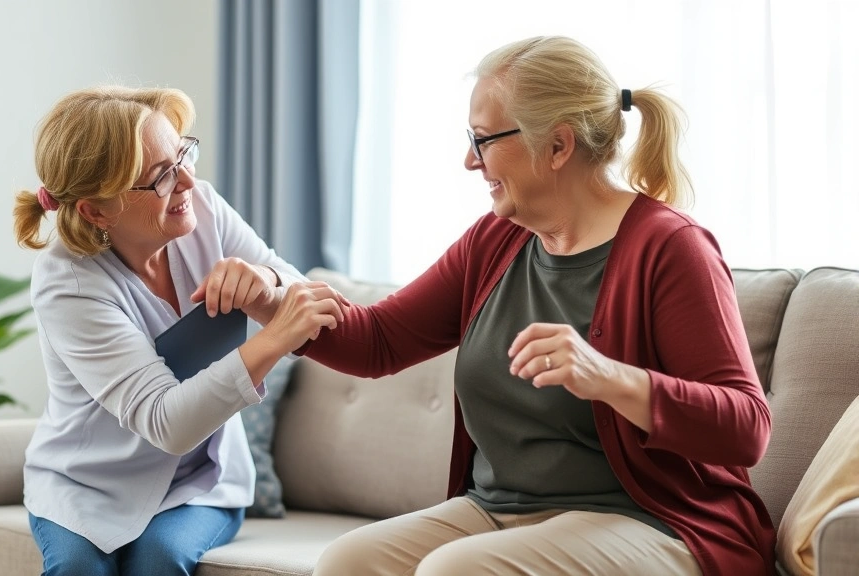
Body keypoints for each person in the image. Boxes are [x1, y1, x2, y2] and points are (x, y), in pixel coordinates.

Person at [300, 36, 775, 575]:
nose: (468, 161)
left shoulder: (669, 247)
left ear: (557, 146)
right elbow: (377, 342)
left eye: (482, 140)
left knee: (455, 571)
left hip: (655, 519)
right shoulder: (494, 241)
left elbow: (746, 427)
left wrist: (609, 376)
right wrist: (270, 306)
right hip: (500, 512)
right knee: (347, 561)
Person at [12, 86, 345, 576]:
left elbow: (303, 291)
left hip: (202, 481)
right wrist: (271, 340)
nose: (187, 180)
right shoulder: (70, 282)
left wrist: (268, 287)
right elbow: (166, 421)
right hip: (87, 483)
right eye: (161, 177)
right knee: (79, 568)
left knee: (157, 559)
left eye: (182, 155)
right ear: (95, 211)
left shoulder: (204, 210)